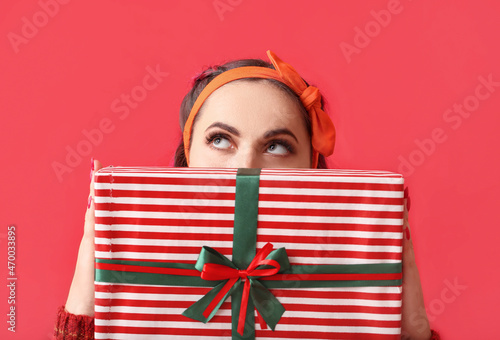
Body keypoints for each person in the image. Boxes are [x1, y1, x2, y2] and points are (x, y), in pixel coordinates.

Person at [54, 50, 440, 340]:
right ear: (187, 157)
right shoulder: (134, 254)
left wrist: (413, 328)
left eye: (277, 146)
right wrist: (85, 308)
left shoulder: (356, 284)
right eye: (220, 139)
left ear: (312, 165)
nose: (245, 166)